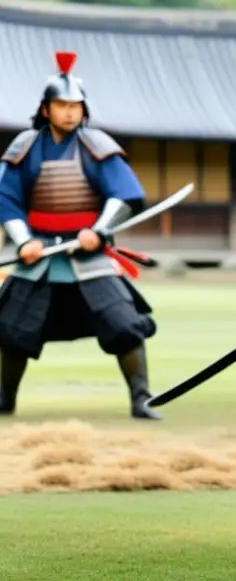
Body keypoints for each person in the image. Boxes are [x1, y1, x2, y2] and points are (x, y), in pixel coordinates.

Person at [0, 51, 161, 420]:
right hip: (38, 252)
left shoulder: (97, 146)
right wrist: (25, 241)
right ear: (46, 108)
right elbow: (6, 200)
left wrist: (100, 231)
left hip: (88, 252)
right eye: (61, 104)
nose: (69, 112)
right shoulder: (24, 147)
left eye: (75, 105)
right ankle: (4, 397)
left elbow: (124, 194)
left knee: (125, 324)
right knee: (11, 329)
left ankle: (142, 398)